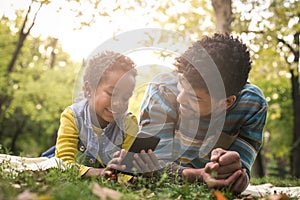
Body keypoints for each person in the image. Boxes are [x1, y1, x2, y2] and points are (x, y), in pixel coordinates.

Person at [134, 33, 268, 194]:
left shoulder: (252, 105)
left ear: (227, 102)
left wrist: (236, 174)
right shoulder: (161, 90)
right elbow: (149, 167)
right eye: (181, 84)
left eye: (195, 98)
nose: (180, 98)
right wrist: (197, 175)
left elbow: (241, 169)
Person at [42, 51, 138, 179]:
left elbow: (128, 171)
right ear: (88, 90)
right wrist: (99, 173)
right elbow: (63, 163)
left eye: (126, 98)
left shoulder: (129, 123)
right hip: (60, 158)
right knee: (45, 164)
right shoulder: (72, 116)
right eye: (112, 94)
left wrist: (131, 175)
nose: (118, 103)